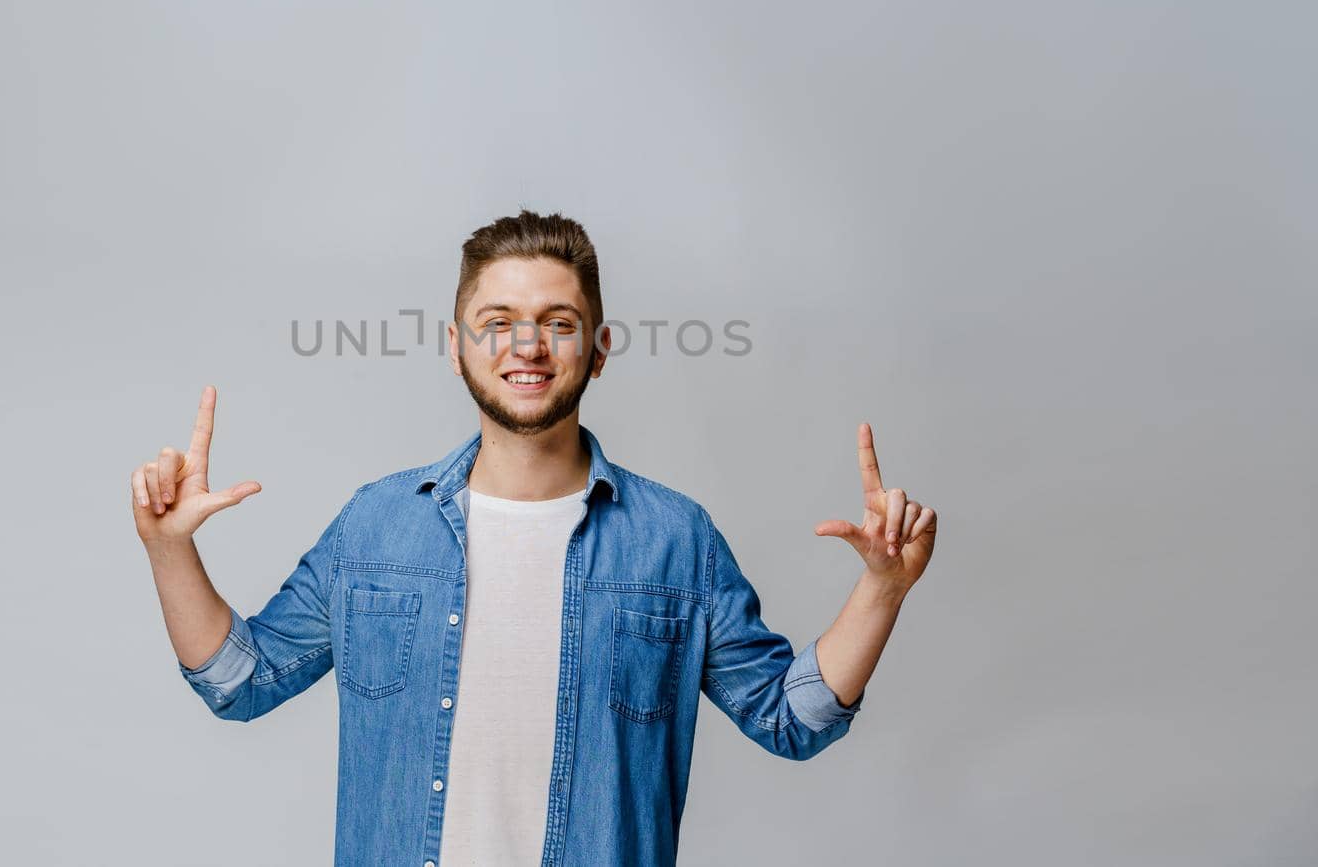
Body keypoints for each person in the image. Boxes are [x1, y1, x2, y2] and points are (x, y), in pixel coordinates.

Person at [131, 210, 938, 867]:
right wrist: (171, 548)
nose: (528, 345)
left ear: (599, 349)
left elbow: (788, 718)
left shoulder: (673, 541)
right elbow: (240, 683)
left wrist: (881, 590)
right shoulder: (375, 527)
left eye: (559, 321)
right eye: (498, 322)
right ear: (455, 347)